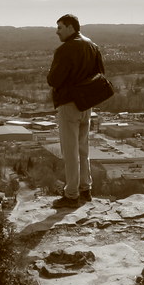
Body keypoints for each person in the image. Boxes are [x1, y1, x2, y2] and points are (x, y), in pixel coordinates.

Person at [46, 14, 106, 209]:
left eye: (60, 28)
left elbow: (53, 80)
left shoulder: (65, 50)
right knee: (82, 148)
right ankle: (85, 189)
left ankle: (71, 195)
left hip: (69, 103)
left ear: (71, 27)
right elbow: (100, 74)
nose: (57, 32)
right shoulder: (92, 46)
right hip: (86, 103)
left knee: (69, 151)